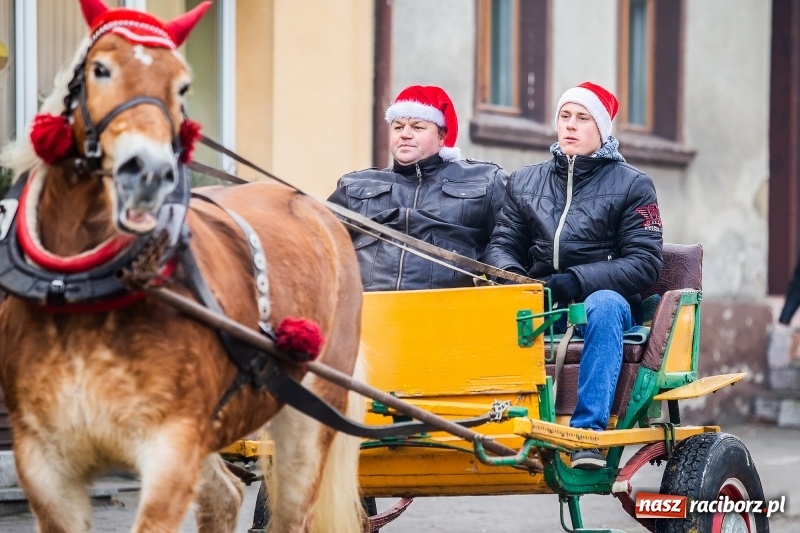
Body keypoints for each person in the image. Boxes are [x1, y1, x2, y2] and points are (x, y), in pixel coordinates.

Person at [483, 82, 663, 469]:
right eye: (565, 116)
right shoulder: (525, 182)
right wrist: (520, 282)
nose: (570, 126)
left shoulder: (633, 184)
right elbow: (501, 246)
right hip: (542, 301)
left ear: (601, 129)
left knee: (601, 305)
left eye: (582, 118)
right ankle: (491, 424)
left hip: (607, 306)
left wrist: (579, 281)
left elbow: (646, 263)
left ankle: (587, 436)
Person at [328, 85, 508, 291]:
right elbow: (319, 245)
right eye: (398, 127)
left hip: (450, 311)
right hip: (368, 311)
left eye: (417, 127)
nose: (405, 134)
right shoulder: (354, 185)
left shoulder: (485, 179)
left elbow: (508, 246)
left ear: (442, 136)